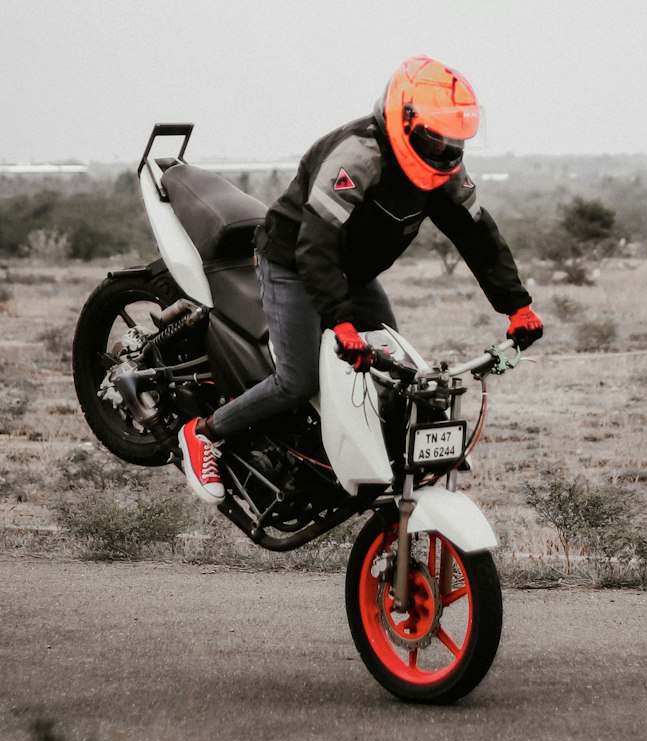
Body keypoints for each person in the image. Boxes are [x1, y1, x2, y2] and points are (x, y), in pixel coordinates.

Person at [179, 56, 543, 501]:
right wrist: (341, 320)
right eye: (437, 133)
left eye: (455, 136)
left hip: (352, 270)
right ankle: (204, 434)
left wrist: (517, 306)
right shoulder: (359, 155)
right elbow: (315, 244)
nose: (447, 146)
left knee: (397, 365)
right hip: (294, 261)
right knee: (297, 381)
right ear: (404, 121)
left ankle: (393, 451)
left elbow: (478, 236)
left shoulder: (444, 169)